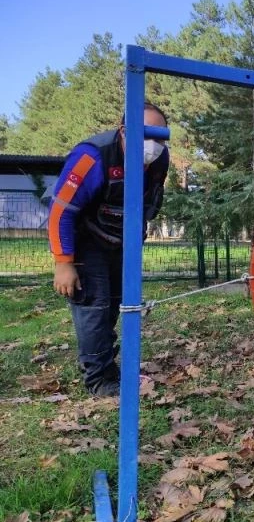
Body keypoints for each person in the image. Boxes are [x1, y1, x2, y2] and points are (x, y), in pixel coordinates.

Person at [48, 103, 170, 397]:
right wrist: (64, 262)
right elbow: (61, 211)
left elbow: (147, 202)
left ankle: (110, 370)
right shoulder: (93, 156)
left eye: (160, 137)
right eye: (145, 135)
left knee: (115, 306)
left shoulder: (160, 160)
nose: (153, 145)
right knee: (95, 309)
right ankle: (99, 382)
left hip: (122, 244)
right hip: (86, 243)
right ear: (124, 131)